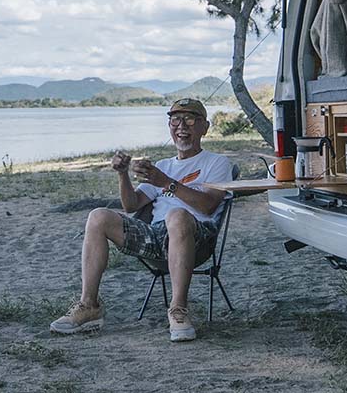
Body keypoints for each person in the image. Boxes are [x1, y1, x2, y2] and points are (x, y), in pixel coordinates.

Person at [50, 97, 234, 342]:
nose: (182, 126)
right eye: (175, 120)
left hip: (196, 237)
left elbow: (209, 206)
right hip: (155, 237)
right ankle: (89, 306)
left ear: (205, 127)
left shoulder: (218, 163)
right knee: (98, 216)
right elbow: (132, 205)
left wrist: (165, 182)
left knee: (177, 215)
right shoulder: (163, 165)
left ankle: (178, 309)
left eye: (190, 119)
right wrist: (123, 174)